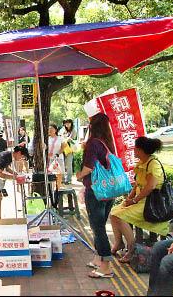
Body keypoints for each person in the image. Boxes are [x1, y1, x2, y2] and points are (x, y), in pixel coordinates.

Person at [110, 136, 169, 263]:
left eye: (136, 149)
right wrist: (128, 199)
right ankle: (119, 243)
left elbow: (150, 187)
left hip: (151, 203)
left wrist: (134, 200)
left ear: (142, 150)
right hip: (140, 200)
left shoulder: (153, 164)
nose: (134, 151)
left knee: (120, 216)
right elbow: (137, 185)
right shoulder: (142, 163)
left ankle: (132, 251)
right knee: (114, 212)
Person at [75, 113, 116, 279]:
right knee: (98, 226)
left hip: (96, 191)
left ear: (93, 126)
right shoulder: (108, 143)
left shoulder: (93, 143)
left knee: (98, 228)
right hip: (109, 191)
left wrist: (78, 175)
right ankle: (98, 258)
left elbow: (89, 167)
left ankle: (106, 267)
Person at [0, 145, 30, 219]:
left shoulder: (9, 155)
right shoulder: (6, 158)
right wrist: (14, 177)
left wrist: (15, 173)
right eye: (22, 157)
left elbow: (7, 168)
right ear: (19, 153)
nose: (21, 159)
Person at [47, 124, 66, 188]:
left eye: (51, 128)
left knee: (59, 174)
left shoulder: (60, 138)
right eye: (49, 129)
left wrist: (57, 154)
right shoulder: (47, 139)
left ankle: (58, 188)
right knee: (50, 173)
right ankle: (52, 188)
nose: (50, 130)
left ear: (55, 130)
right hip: (50, 159)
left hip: (58, 158)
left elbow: (63, 147)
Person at [59, 119, 77, 184]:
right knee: (62, 164)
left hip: (69, 149)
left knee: (69, 164)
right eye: (66, 123)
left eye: (69, 123)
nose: (67, 125)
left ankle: (69, 179)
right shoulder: (62, 130)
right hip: (62, 149)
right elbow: (60, 137)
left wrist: (67, 139)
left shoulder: (73, 130)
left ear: (71, 123)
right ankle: (63, 179)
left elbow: (72, 139)